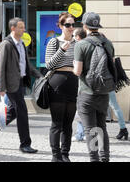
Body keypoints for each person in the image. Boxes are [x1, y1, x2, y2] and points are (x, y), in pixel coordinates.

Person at [0, 18, 42, 154]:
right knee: (22, 112)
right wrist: (1, 88)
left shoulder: (21, 44)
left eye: (24, 27)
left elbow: (26, 65)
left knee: (14, 112)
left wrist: (39, 75)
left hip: (19, 82)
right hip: (10, 85)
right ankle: (25, 144)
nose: (24, 30)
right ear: (13, 28)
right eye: (21, 27)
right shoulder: (6, 44)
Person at [73, 12, 115, 162]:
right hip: (103, 93)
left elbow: (77, 71)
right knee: (101, 127)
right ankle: (105, 158)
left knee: (90, 130)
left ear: (85, 26)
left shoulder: (81, 45)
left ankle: (94, 159)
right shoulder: (108, 43)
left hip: (87, 92)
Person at [44, 13, 78, 162]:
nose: (71, 28)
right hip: (57, 83)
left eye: (72, 25)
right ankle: (55, 156)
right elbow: (49, 65)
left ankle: (65, 154)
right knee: (57, 123)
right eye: (67, 25)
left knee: (68, 124)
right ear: (60, 26)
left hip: (72, 83)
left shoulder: (77, 43)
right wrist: (62, 50)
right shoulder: (54, 42)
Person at [72, 27, 87, 143]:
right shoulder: (89, 45)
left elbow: (77, 70)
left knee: (81, 109)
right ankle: (81, 133)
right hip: (88, 84)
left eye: (74, 36)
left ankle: (81, 134)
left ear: (77, 37)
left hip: (82, 83)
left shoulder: (79, 46)